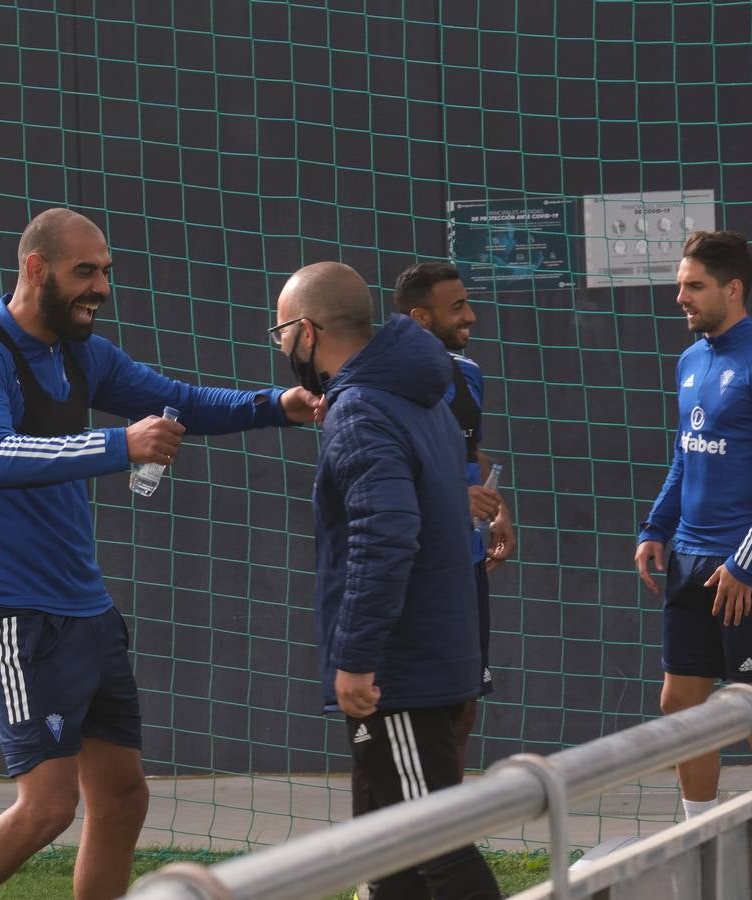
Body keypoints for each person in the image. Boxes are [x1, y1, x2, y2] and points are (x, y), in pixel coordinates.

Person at [0, 207, 322, 900]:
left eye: (106, 272)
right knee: (49, 806)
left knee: (121, 797)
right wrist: (121, 446)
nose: (101, 287)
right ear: (35, 268)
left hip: (88, 612)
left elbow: (180, 403)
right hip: (16, 615)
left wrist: (277, 404)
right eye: (85, 271)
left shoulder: (81, 353)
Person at [275, 261, 500, 899]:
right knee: (385, 851)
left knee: (434, 848)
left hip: (400, 674)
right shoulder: (416, 389)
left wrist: (357, 659)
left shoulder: (362, 412)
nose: (284, 348)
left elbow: (386, 539)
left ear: (308, 332)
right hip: (427, 660)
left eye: (283, 333)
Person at [634, 230, 752, 822]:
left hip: (751, 569)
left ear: (733, 289)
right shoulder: (691, 359)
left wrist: (745, 563)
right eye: (680, 285)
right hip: (690, 560)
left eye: (694, 286)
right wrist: (655, 528)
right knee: (681, 703)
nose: (681, 296)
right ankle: (698, 833)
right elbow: (687, 453)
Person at [393, 261, 516, 774]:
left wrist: (500, 506)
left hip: (466, 561)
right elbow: (388, 473)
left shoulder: (467, 373)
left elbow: (472, 453)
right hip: (418, 566)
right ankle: (406, 830)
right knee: (420, 708)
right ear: (420, 317)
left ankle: (449, 827)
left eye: (467, 302)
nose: (472, 314)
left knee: (464, 705)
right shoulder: (388, 385)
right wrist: (452, 500)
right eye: (458, 307)